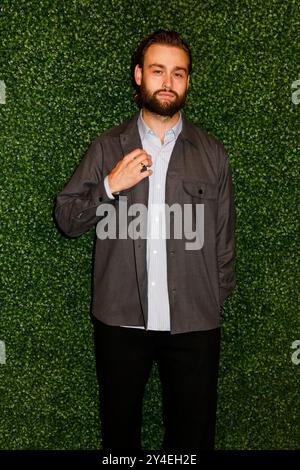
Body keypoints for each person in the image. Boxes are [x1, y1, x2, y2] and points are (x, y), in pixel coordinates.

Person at [55, 30, 236, 451]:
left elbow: (224, 240)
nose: (168, 82)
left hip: (194, 323)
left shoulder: (212, 154)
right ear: (139, 76)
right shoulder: (107, 146)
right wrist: (108, 185)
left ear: (188, 81)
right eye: (158, 71)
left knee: (191, 442)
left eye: (179, 73)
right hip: (120, 322)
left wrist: (215, 299)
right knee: (120, 439)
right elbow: (67, 217)